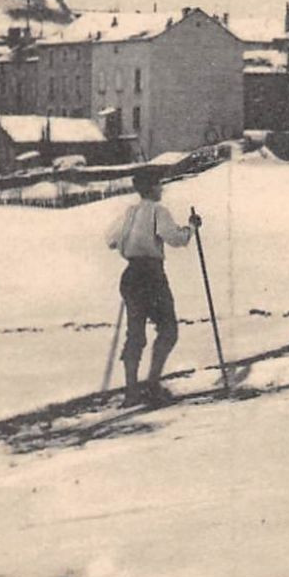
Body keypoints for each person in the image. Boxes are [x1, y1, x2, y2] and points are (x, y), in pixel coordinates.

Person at [106, 168, 202, 406]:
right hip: (151, 276)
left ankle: (132, 391)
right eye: (159, 185)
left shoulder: (130, 212)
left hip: (130, 276)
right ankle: (152, 384)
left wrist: (131, 244)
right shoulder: (159, 211)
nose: (162, 189)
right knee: (168, 330)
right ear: (151, 188)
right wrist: (191, 227)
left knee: (135, 334)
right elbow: (175, 238)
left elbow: (111, 239)